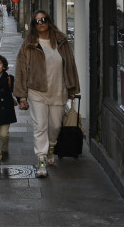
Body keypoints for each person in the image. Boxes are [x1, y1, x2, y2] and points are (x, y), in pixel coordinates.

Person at [14, 10, 80, 178]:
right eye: (37, 21)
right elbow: (21, 71)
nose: (41, 23)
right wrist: (22, 96)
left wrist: (73, 89)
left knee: (55, 126)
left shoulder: (61, 41)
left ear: (49, 21)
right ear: (34, 25)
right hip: (37, 92)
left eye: (43, 20)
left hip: (59, 91)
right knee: (40, 126)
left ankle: (51, 148)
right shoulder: (29, 44)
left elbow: (70, 65)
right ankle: (41, 159)